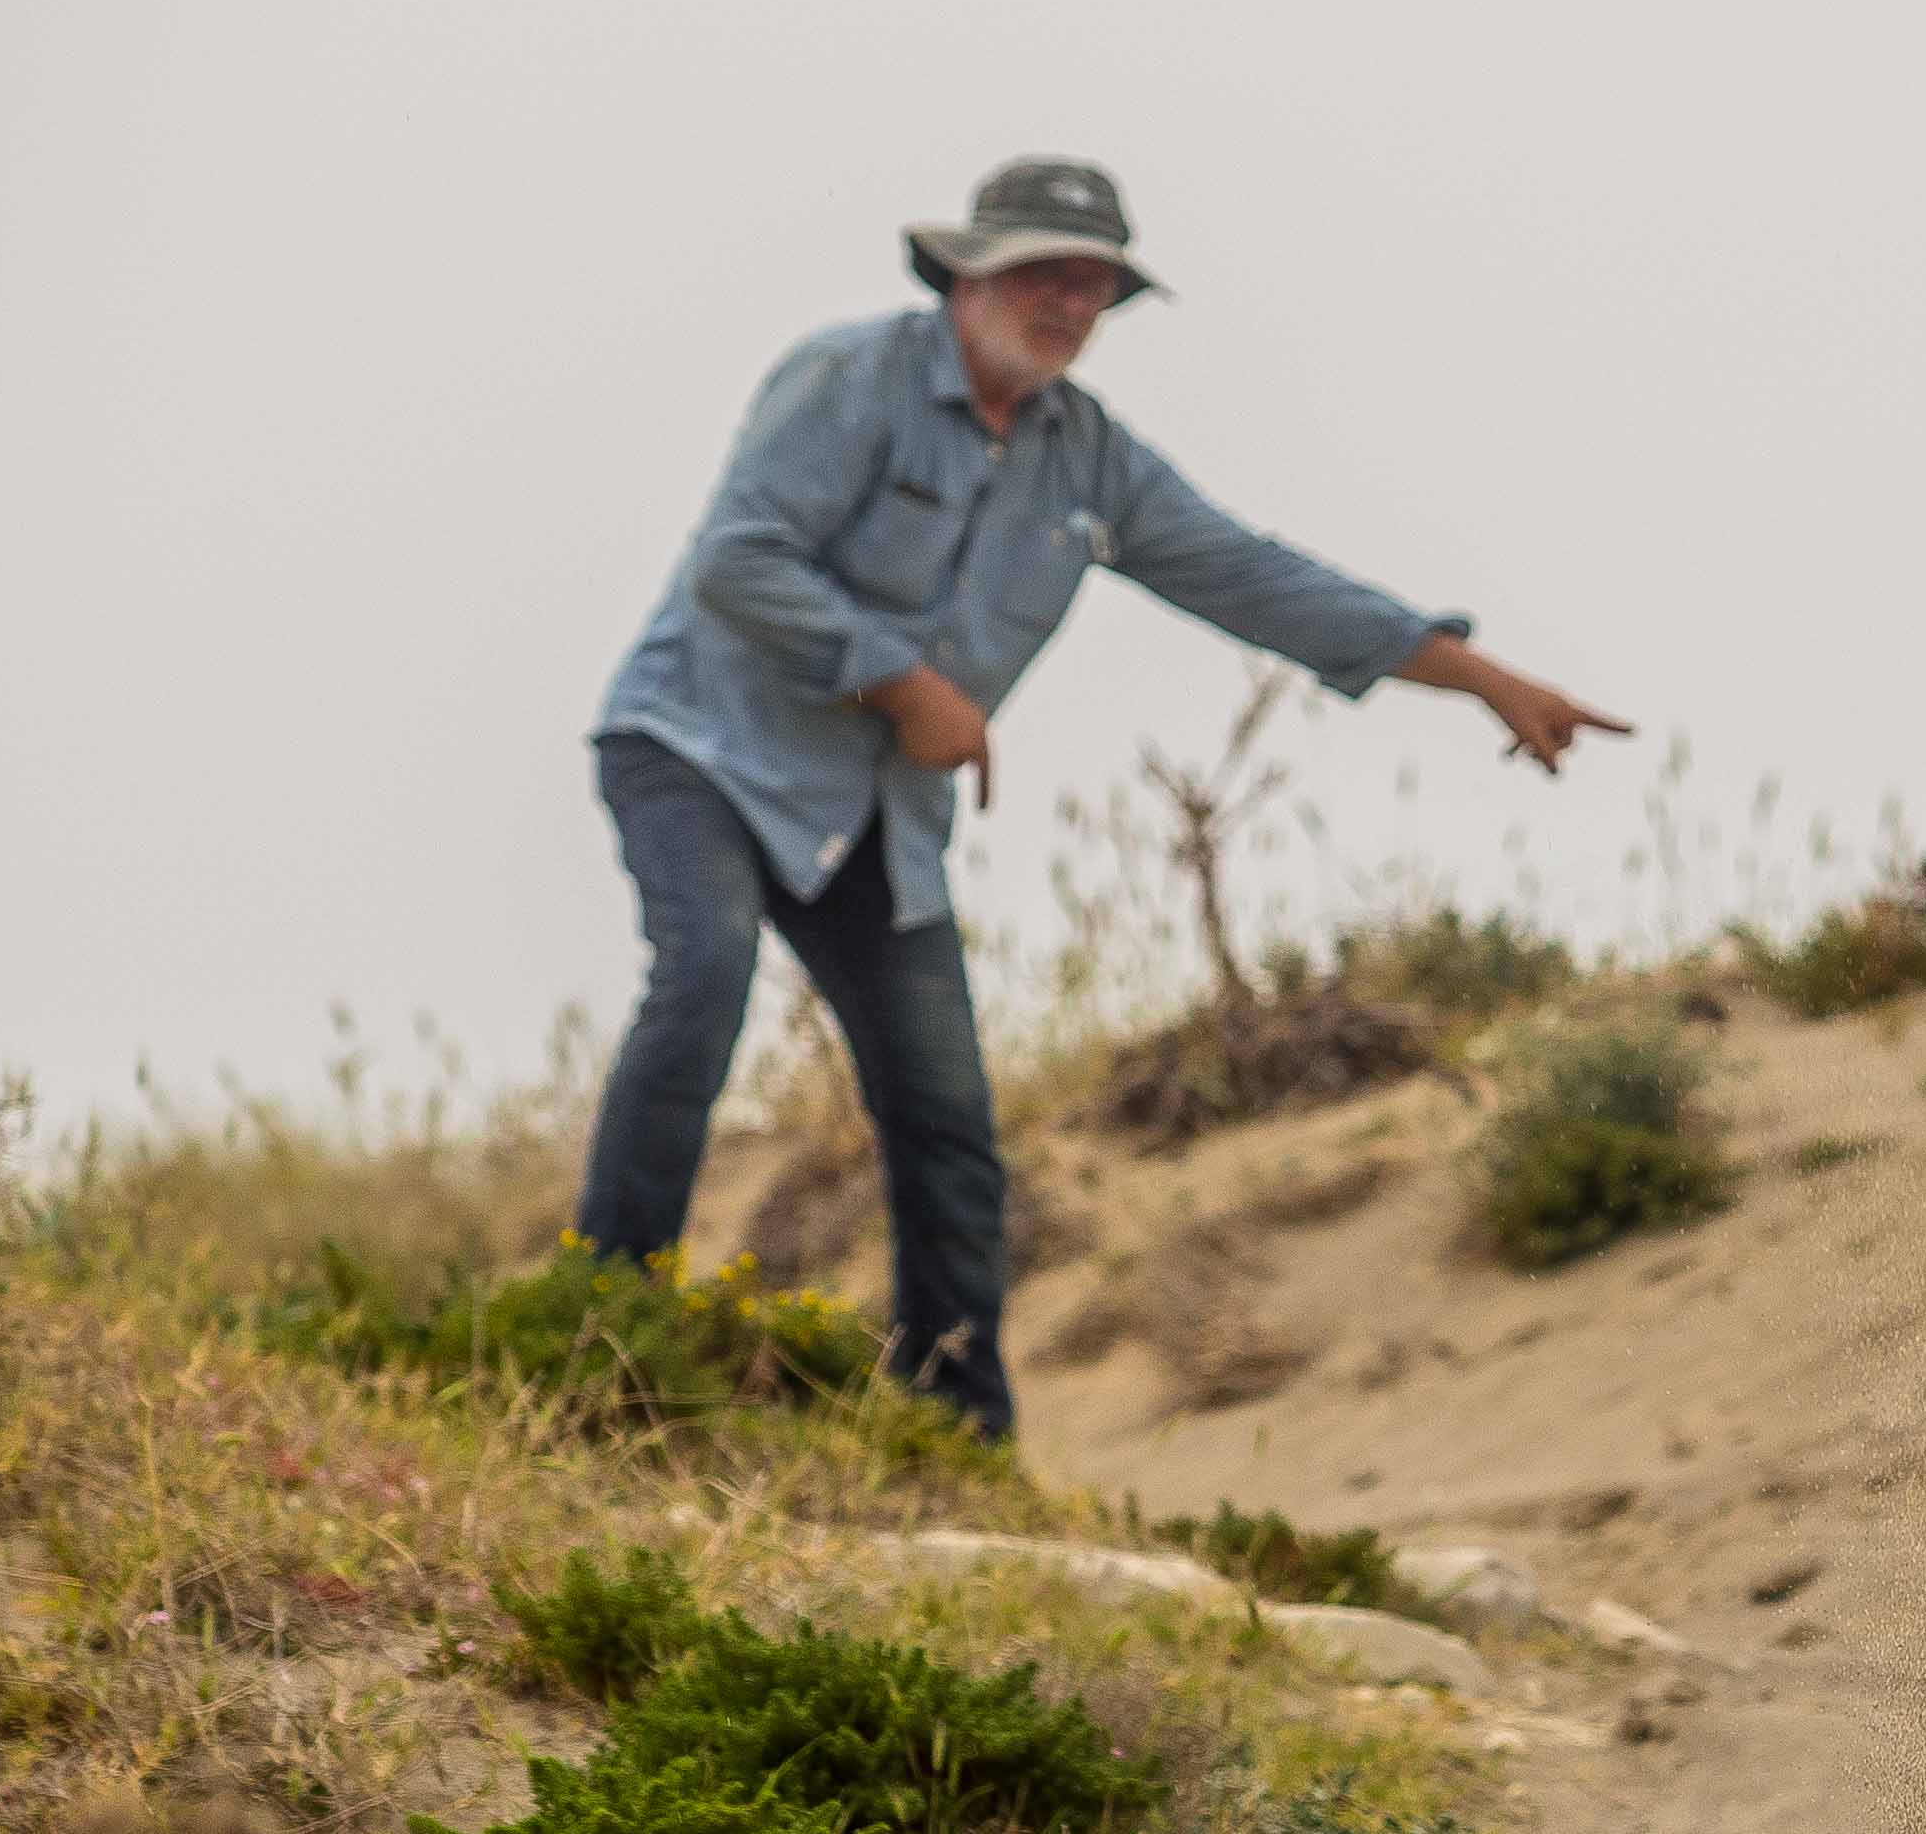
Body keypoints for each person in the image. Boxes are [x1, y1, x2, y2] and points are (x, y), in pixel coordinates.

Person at [578, 154, 1621, 1437]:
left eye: (1094, 285)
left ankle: (953, 1430)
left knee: (946, 1118)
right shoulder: (850, 377)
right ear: (968, 276)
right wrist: (902, 680)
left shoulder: (1088, 461)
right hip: (700, 749)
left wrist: (1476, 676)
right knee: (702, 980)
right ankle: (599, 1341)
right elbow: (738, 559)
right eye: (1043, 274)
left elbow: (1252, 576)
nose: (1069, 304)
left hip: (876, 820)